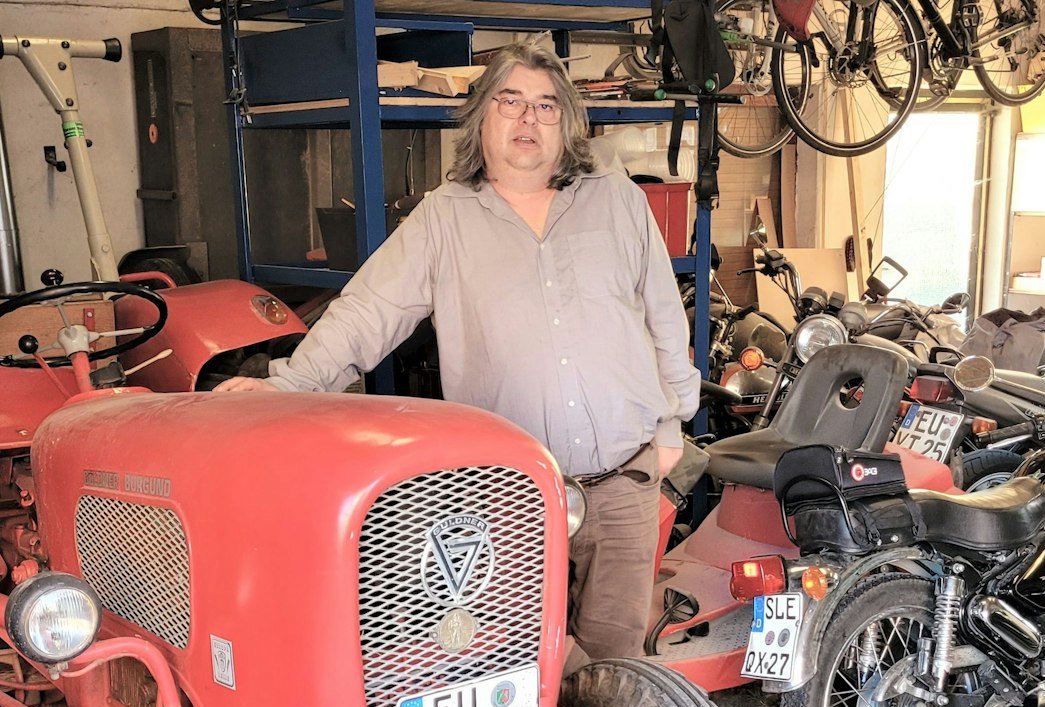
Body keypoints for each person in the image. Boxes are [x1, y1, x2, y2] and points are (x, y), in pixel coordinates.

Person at [217, 42, 697, 670]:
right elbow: (369, 312)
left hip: (623, 481)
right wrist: (289, 386)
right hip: (510, 497)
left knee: (619, 665)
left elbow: (663, 315)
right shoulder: (443, 219)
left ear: (568, 122)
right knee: (510, 660)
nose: (529, 119)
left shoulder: (618, 201)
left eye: (547, 106)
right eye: (511, 101)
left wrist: (671, 426)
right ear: (483, 117)